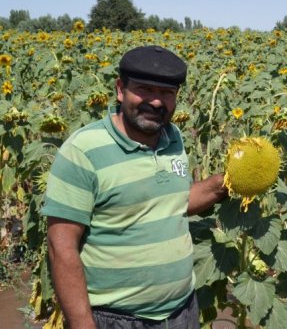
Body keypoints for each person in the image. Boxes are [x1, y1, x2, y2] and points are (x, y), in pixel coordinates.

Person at [42, 45, 227, 329]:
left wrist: (223, 184)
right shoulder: (83, 151)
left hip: (182, 312)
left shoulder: (173, 138)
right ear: (120, 89)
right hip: (117, 320)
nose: (155, 102)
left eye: (166, 93)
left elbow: (172, 201)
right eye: (144, 90)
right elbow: (61, 246)